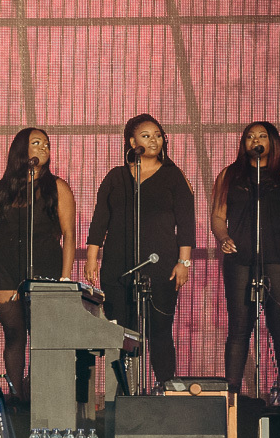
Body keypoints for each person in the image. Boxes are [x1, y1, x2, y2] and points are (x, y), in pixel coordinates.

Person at [84, 114, 196, 388]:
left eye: (158, 135)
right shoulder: (116, 177)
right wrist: (91, 256)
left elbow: (186, 221)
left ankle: (165, 391)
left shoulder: (172, 175)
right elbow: (100, 219)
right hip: (118, 267)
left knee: (159, 332)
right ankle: (123, 394)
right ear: (132, 141)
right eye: (147, 135)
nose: (154, 140)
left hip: (161, 266)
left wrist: (184, 262)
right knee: (121, 333)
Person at [0, 128, 78, 399]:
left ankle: (40, 396)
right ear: (21, 150)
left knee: (42, 337)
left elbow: (69, 235)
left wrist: (65, 279)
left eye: (47, 144)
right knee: (14, 335)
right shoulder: (1, 190)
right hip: (4, 267)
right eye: (36, 143)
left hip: (45, 267)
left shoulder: (57, 187)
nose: (43, 148)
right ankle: (16, 396)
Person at [210, 122, 280, 395]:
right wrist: (223, 238)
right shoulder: (229, 175)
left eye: (262, 136)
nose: (255, 140)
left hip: (279, 256)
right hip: (240, 257)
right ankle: (232, 396)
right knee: (239, 328)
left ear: (272, 142)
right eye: (250, 136)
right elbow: (218, 217)